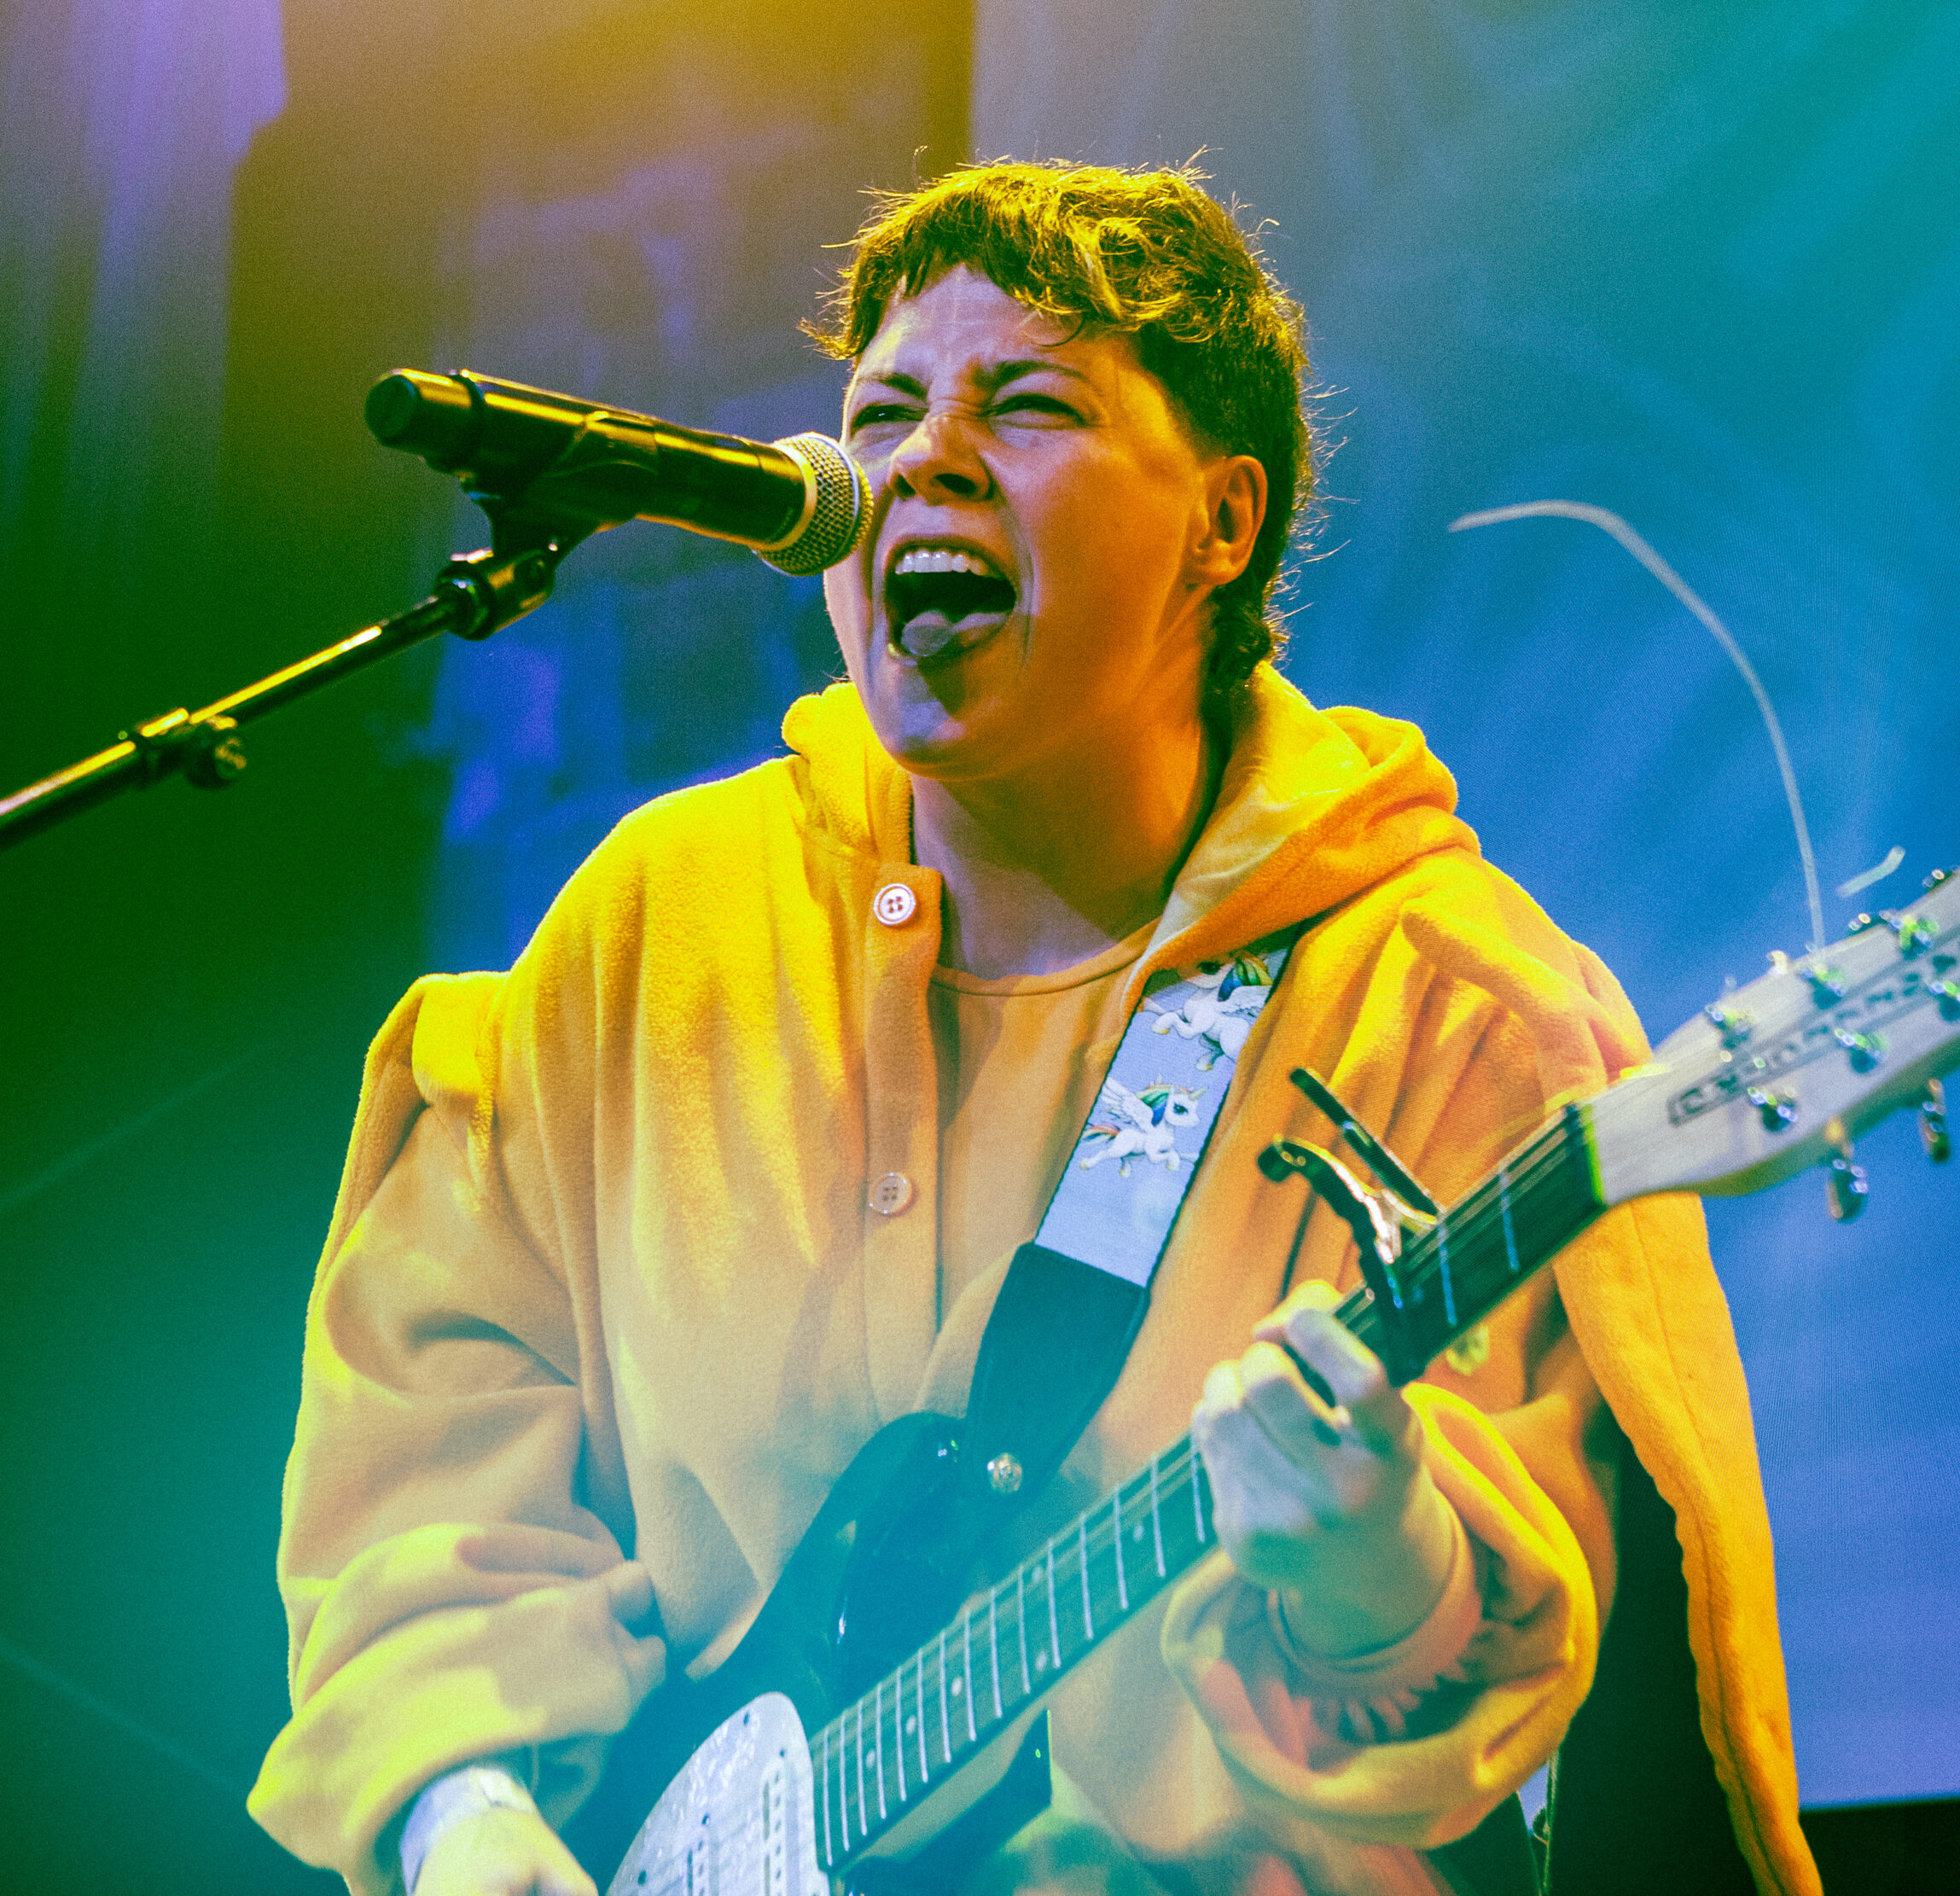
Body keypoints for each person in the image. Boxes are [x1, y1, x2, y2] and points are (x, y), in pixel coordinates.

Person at [247, 160, 1820, 1896]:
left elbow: (1519, 1719)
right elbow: (433, 1420)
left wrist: (1379, 1562)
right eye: (881, 414)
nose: (921, 458)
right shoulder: (652, 927)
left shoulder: (1444, 999)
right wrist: (462, 1806)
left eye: (1031, 406)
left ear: (1223, 523)